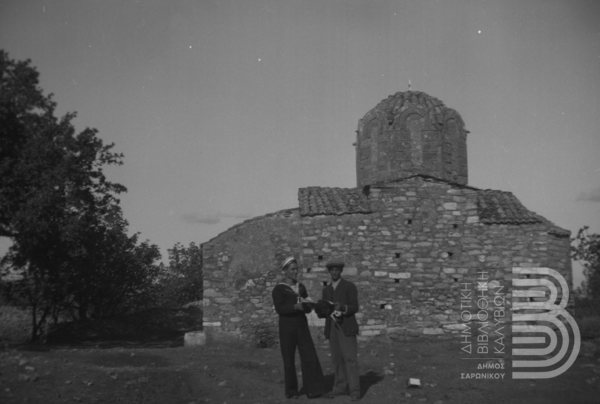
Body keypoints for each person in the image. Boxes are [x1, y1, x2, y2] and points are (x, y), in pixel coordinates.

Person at [271, 256, 326, 399]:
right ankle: (291, 391)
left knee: (309, 356)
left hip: (301, 326)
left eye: (296, 269)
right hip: (287, 327)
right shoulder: (279, 289)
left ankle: (313, 389)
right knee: (288, 359)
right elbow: (280, 309)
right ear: (285, 271)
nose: (295, 272)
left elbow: (306, 305)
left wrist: (308, 306)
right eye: (292, 269)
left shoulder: (301, 287)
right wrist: (295, 307)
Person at [320, 260, 361, 401]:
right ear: (329, 272)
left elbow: (355, 307)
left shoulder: (349, 287)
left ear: (341, 271)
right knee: (337, 359)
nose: (334, 272)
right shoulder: (326, 290)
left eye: (337, 270)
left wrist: (343, 308)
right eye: (332, 270)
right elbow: (325, 311)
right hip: (332, 327)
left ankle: (354, 390)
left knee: (350, 359)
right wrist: (321, 309)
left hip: (346, 326)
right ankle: (339, 388)